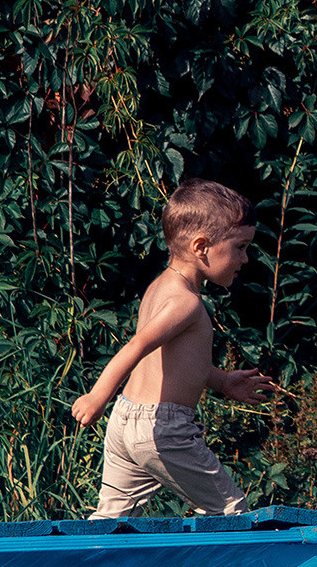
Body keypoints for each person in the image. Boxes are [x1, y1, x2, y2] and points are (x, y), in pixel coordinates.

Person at [71, 179, 280, 518]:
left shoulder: (161, 287)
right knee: (230, 512)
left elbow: (168, 359)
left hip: (125, 422)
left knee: (110, 522)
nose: (245, 258)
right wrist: (97, 396)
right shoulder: (185, 302)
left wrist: (222, 381)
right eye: (240, 247)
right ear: (201, 247)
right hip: (163, 428)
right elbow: (137, 346)